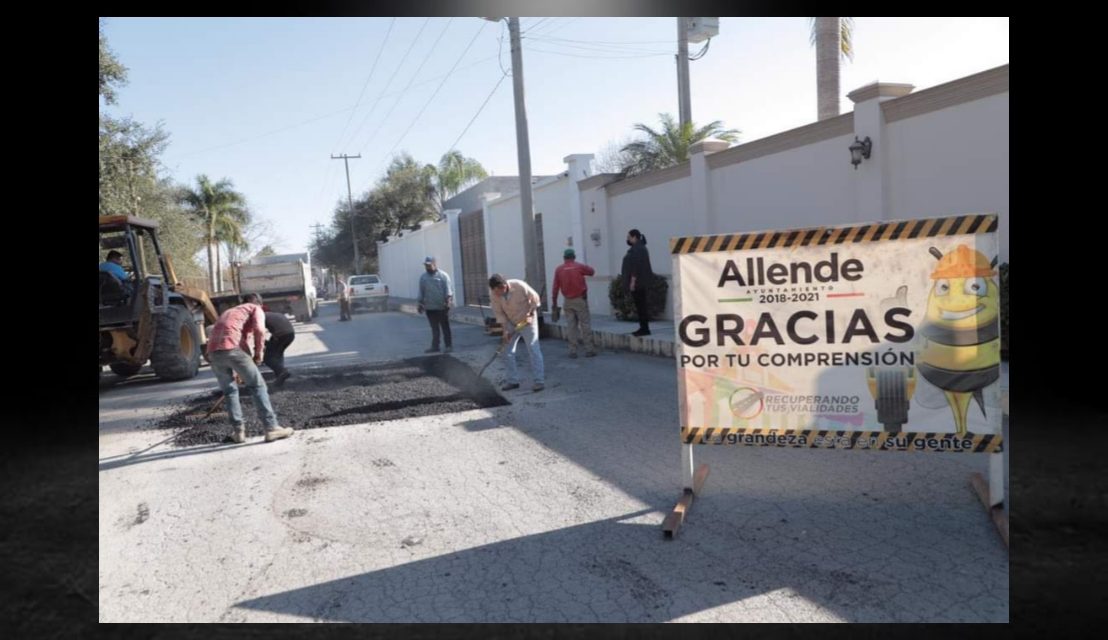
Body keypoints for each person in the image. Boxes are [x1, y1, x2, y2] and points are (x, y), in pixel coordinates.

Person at [206, 293, 294, 444]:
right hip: (231, 349)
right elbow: (260, 330)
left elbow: (241, 341)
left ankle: (238, 432)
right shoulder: (256, 309)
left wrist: (241, 368)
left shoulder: (231, 312)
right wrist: (259, 354)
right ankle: (271, 428)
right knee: (257, 386)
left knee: (230, 391)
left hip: (213, 352)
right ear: (260, 304)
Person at [489, 273, 545, 392]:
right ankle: (512, 381)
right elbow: (499, 314)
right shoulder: (494, 295)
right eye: (494, 292)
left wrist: (531, 313)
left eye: (497, 291)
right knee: (507, 351)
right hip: (511, 322)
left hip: (527, 321)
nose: (496, 294)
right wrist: (505, 332)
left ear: (503, 286)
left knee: (533, 349)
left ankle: (539, 381)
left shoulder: (519, 285)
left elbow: (535, 299)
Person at [551, 248, 596, 358]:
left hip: (567, 301)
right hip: (580, 300)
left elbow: (555, 288)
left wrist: (554, 303)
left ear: (564, 258)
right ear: (574, 257)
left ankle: (573, 351)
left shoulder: (559, 269)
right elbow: (592, 272)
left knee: (571, 326)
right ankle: (589, 349)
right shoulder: (579, 267)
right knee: (585, 324)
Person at [416, 256, 455, 353]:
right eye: (426, 265)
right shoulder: (423, 277)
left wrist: (448, 302)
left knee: (445, 327)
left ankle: (448, 346)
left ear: (434, 264)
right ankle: (435, 346)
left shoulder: (443, 276)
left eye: (429, 265)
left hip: (442, 307)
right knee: (434, 328)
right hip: (430, 308)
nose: (427, 267)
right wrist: (420, 304)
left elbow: (448, 290)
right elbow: (421, 291)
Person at [621, 228, 655, 337]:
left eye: (628, 237)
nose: (627, 239)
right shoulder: (639, 248)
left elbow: (636, 267)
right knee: (640, 306)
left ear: (634, 237)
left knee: (641, 306)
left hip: (639, 283)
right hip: (640, 282)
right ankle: (643, 327)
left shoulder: (638, 249)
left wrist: (632, 282)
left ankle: (644, 328)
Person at [263, 310, 295, 387]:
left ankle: (282, 371)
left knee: (268, 358)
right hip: (290, 334)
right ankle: (280, 378)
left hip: (281, 335)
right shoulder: (271, 314)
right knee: (278, 354)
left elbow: (258, 333)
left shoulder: (259, 317)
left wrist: (262, 343)